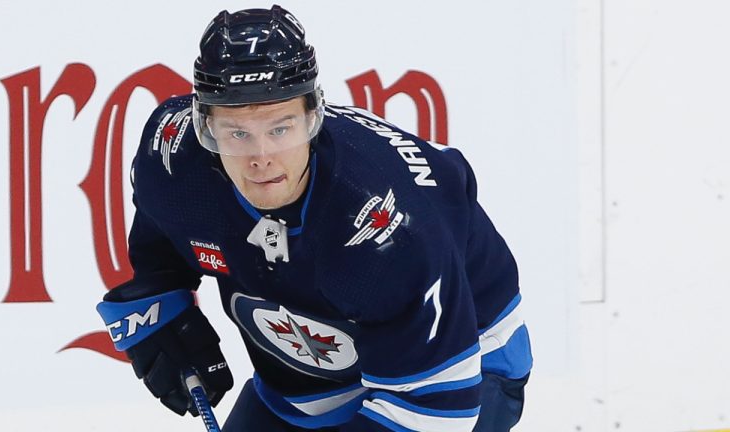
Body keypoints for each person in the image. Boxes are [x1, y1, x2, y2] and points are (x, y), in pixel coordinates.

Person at [96, 5, 533, 431]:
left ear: (313, 117)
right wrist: (161, 303)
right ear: (203, 127)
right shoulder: (174, 159)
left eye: (280, 128)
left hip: (460, 364)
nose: (261, 158)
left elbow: (434, 413)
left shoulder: (384, 227)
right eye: (236, 133)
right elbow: (166, 241)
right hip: (305, 381)